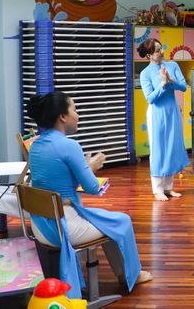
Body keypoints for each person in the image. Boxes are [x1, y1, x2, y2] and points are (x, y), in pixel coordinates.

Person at [26, 91, 152, 299]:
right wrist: (91, 166)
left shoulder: (36, 145)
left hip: (40, 224)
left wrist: (84, 169)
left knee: (110, 222)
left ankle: (124, 274)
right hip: (62, 226)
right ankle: (132, 274)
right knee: (123, 221)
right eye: (74, 109)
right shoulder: (69, 146)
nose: (78, 115)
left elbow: (54, 181)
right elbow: (93, 188)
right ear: (62, 117)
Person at [138, 38, 190, 201]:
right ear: (149, 55)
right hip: (157, 113)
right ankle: (157, 188)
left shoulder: (172, 66)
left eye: (161, 48)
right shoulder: (145, 73)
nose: (162, 52)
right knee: (159, 149)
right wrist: (162, 83)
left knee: (172, 147)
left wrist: (171, 80)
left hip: (172, 111)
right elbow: (150, 98)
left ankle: (168, 187)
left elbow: (183, 86)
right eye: (157, 50)